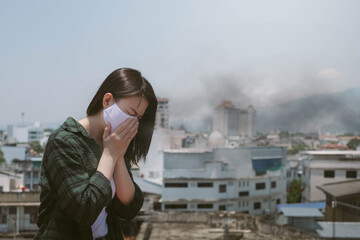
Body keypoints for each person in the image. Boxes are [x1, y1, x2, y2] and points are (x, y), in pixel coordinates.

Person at [34, 68, 158, 240]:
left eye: (138, 118)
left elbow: (129, 208)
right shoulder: (64, 142)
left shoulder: (116, 142)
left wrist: (118, 155)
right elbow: (85, 210)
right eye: (130, 113)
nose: (133, 123)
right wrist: (108, 155)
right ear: (107, 100)